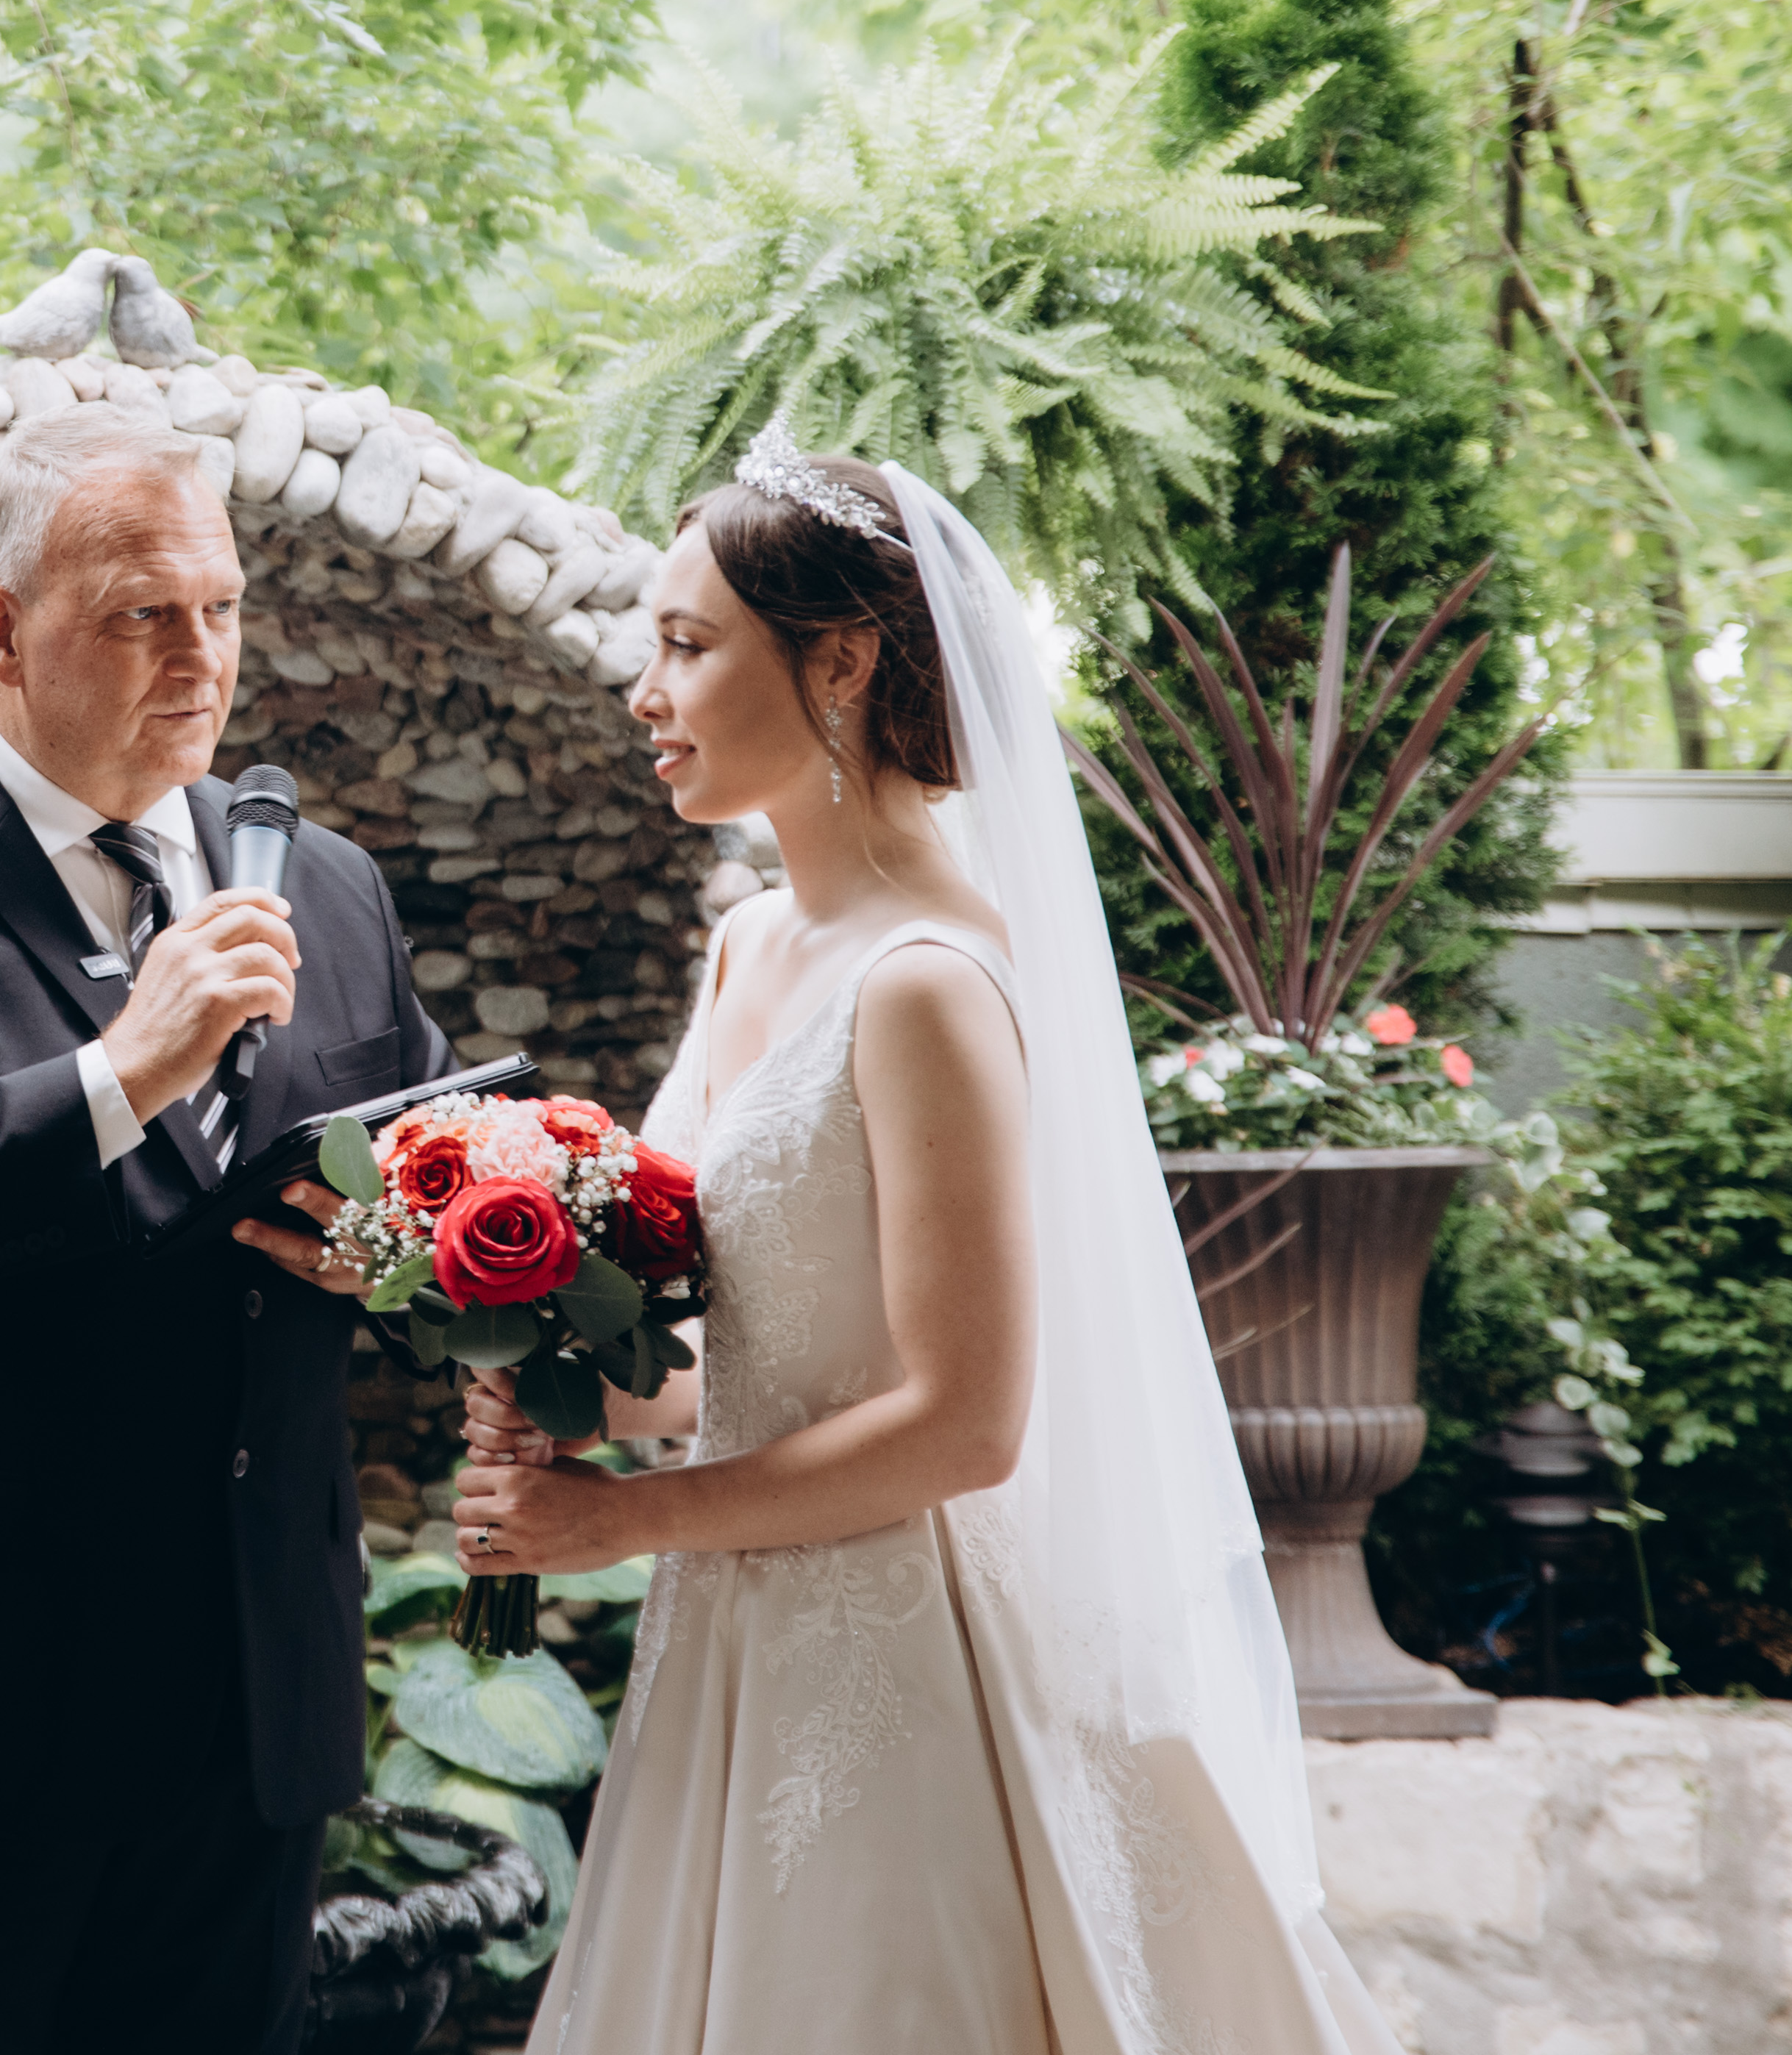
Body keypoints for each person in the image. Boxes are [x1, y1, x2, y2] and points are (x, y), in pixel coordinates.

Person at [451, 424, 1404, 2055]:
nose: (646, 690)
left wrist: (626, 1523)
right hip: (730, 1643)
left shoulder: (929, 987)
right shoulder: (752, 945)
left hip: (909, 1662)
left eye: (688, 645)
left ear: (840, 662)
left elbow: (967, 1423)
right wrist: (544, 1376)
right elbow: (729, 1353)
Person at [0, 401, 458, 2055]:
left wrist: (401, 1248)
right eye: (143, 614)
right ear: (2, 630)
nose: (204, 656)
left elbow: (434, 1179)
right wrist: (126, 1068)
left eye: (224, 606)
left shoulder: (326, 885)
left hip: (247, 1712)